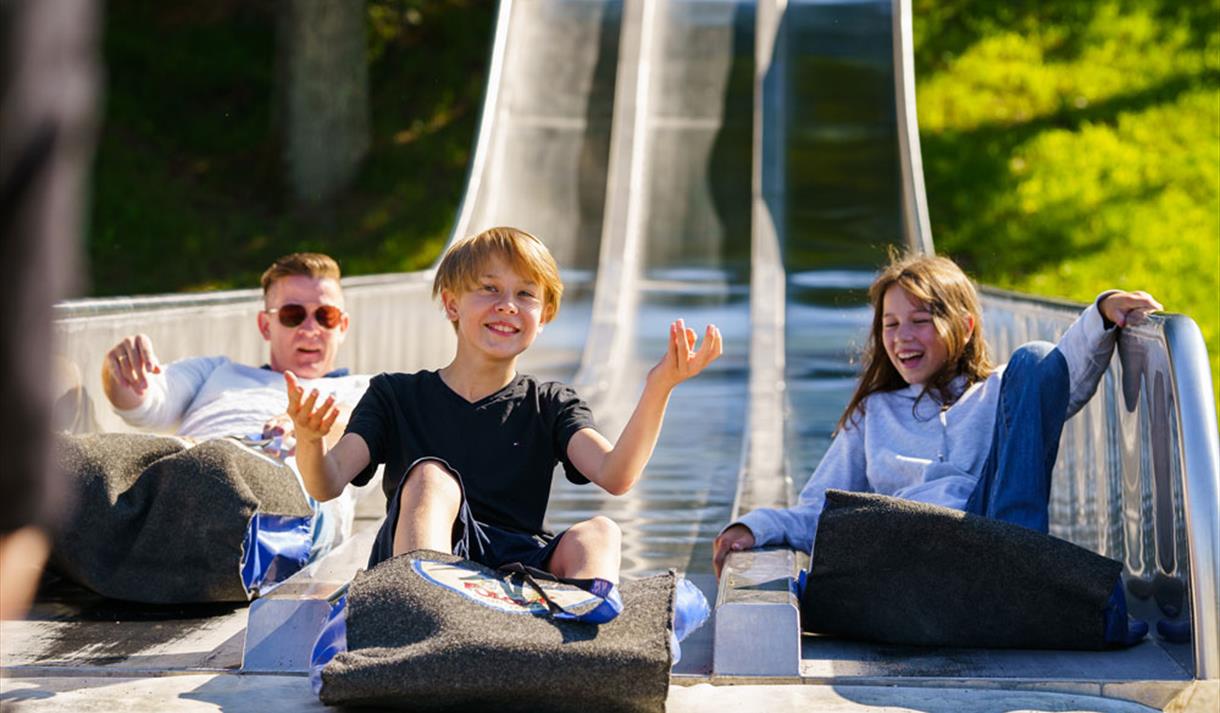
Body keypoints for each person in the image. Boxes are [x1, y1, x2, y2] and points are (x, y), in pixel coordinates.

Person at [713, 252, 1160, 642]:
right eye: (890, 325)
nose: (901, 336)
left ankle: (1021, 565)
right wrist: (753, 527)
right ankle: (1011, 586)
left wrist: (1102, 313)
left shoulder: (999, 392)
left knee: (1037, 358)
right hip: (916, 552)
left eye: (920, 322)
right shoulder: (875, 412)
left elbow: (1063, 378)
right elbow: (818, 511)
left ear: (964, 328)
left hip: (992, 533)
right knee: (865, 529)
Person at [287, 226, 722, 592]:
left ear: (545, 314)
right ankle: (423, 605)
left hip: (514, 568)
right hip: (417, 562)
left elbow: (616, 474)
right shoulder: (394, 396)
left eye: (525, 294)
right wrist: (310, 440)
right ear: (452, 303)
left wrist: (658, 387)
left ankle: (586, 634)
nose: (507, 305)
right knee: (431, 478)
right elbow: (327, 483)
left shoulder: (549, 403)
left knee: (600, 533)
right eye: (489, 289)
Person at [101, 252, 370, 551]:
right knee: (79, 460)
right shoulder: (217, 370)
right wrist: (119, 371)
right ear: (266, 325)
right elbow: (142, 401)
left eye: (325, 316)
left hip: (283, 498)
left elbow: (361, 427)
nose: (310, 329)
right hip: (185, 474)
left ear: (342, 326)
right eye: (292, 315)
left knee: (220, 473)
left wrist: (310, 428)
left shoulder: (364, 389)